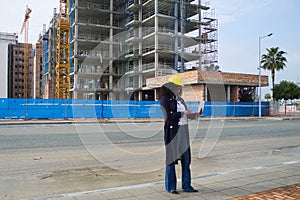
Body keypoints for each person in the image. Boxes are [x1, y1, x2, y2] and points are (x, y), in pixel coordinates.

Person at [160, 74, 201, 194]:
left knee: (186, 160)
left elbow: (186, 114)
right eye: (177, 87)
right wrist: (182, 114)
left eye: (179, 87)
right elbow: (168, 116)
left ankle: (187, 185)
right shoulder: (164, 100)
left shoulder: (181, 100)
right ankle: (171, 187)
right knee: (171, 161)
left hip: (184, 131)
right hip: (173, 133)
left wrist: (195, 114)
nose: (179, 89)